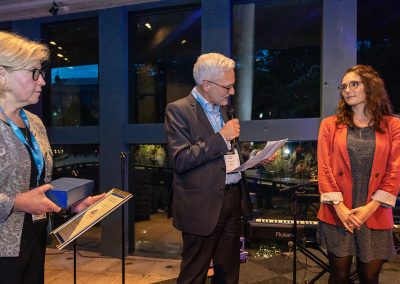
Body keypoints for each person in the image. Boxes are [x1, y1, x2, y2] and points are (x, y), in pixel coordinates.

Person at [0, 31, 104, 284]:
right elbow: (21, 197)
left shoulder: (34, 122)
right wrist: (15, 202)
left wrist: (69, 203)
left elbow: (36, 184)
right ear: (2, 75)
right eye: (34, 72)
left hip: (34, 238)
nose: (43, 81)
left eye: (42, 73)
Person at [165, 53, 273, 284]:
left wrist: (251, 157)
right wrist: (221, 137)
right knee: (194, 274)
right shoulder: (178, 110)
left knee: (228, 273)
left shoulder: (223, 110)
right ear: (206, 84)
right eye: (228, 87)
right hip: (201, 206)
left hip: (233, 200)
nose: (232, 92)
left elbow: (226, 154)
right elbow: (180, 159)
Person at [317, 64, 400, 284]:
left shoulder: (393, 125)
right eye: (343, 86)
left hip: (375, 211)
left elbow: (395, 170)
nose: (347, 90)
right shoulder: (329, 125)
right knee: (339, 276)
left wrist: (369, 209)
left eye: (354, 84)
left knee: (369, 277)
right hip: (339, 212)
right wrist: (340, 207)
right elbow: (324, 168)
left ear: (371, 87)